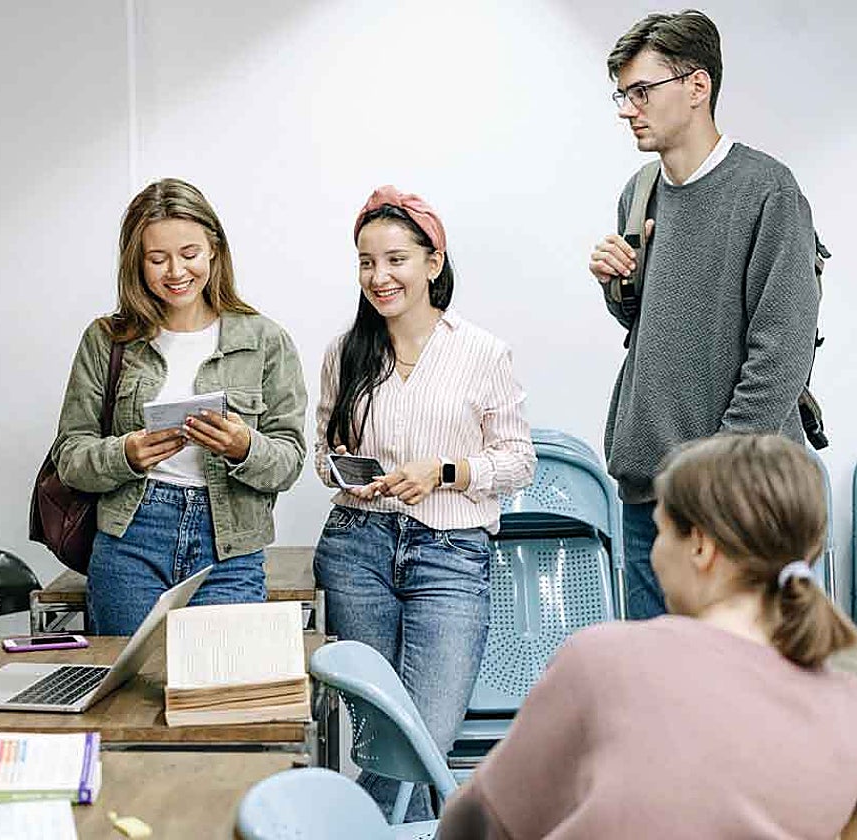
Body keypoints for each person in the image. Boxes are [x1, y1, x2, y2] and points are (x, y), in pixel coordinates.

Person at [437, 433, 857, 838]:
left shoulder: (606, 659)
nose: (654, 554)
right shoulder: (845, 694)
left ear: (700, 547)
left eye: (661, 532)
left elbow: (479, 820)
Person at [588, 9, 819, 619]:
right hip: (649, 500)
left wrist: (711, 481)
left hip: (737, 503)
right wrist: (620, 288)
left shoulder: (767, 191)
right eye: (623, 93)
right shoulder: (637, 193)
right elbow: (656, 329)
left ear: (697, 87)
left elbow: (781, 355)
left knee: (743, 698)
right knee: (656, 698)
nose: (626, 108)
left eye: (642, 91)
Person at [313, 185, 535, 820]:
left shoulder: (482, 352)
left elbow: (519, 460)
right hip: (357, 550)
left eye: (395, 260)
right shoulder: (346, 352)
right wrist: (348, 473)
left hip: (451, 556)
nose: (378, 277)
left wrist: (444, 471)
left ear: (433, 263)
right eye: (365, 262)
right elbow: (324, 452)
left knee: (423, 739)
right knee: (380, 738)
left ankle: (350, 828)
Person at [53, 178, 307, 635]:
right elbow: (70, 457)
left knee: (218, 694)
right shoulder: (107, 341)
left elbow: (289, 462)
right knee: (126, 699)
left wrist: (244, 447)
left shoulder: (265, 341)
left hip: (230, 546)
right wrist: (126, 454)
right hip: (131, 540)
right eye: (157, 259)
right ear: (136, 262)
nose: (175, 272)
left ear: (214, 249)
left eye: (189, 254)